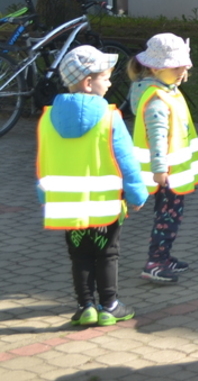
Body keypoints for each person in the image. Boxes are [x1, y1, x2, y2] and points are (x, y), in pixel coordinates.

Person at [38, 46, 147, 327]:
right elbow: (126, 160)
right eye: (106, 77)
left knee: (79, 254)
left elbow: (43, 160)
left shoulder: (47, 118)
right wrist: (137, 193)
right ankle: (109, 306)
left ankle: (85, 305)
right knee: (107, 253)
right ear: (88, 82)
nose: (109, 83)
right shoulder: (110, 117)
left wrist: (44, 195)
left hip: (67, 204)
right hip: (104, 203)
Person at [129, 34, 198, 285]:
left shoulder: (168, 92)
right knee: (167, 218)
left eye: (184, 67)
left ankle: (164, 257)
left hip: (170, 171)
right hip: (167, 173)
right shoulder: (157, 99)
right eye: (176, 68)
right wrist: (160, 168)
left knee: (169, 216)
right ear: (156, 68)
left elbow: (182, 127)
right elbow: (157, 136)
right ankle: (155, 262)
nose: (182, 72)